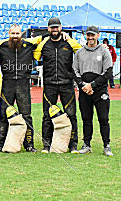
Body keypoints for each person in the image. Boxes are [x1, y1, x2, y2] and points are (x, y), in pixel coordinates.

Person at [0, 25, 43, 152]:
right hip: (7, 84)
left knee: (26, 115)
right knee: (3, 115)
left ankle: (29, 144)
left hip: (23, 84)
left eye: (17, 33)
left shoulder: (29, 44)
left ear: (21, 34)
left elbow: (43, 37)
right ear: (9, 34)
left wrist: (64, 35)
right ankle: (0, 144)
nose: (15, 36)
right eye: (12, 33)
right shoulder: (2, 45)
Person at [34, 18, 81, 154]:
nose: (54, 30)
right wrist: (42, 39)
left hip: (67, 84)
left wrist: (69, 37)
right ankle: (46, 145)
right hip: (49, 85)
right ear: (48, 29)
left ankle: (73, 145)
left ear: (61, 28)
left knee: (71, 115)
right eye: (52, 28)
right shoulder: (44, 44)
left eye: (57, 27)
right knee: (46, 115)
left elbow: (82, 51)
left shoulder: (69, 43)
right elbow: (34, 55)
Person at [72, 26, 114, 157]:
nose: (90, 37)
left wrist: (93, 85)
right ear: (85, 36)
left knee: (103, 119)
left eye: (93, 35)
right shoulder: (79, 52)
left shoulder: (104, 51)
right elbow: (74, 71)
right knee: (86, 119)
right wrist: (83, 85)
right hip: (84, 91)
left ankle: (106, 145)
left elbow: (108, 72)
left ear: (98, 35)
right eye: (88, 35)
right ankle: (87, 145)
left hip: (100, 91)